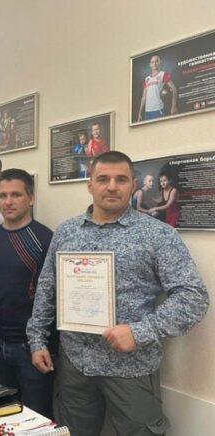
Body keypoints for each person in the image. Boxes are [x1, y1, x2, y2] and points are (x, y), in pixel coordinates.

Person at [27, 151, 208, 436]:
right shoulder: (66, 232)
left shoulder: (157, 235)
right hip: (75, 365)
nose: (112, 186)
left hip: (132, 368)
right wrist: (37, 339)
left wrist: (140, 331)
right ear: (90, 184)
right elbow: (48, 288)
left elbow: (193, 297)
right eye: (103, 179)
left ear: (133, 185)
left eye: (121, 179)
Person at [0, 169, 55, 418]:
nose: (8, 202)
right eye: (2, 196)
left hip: (32, 347)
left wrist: (46, 344)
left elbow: (53, 296)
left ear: (30, 198)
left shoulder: (45, 239)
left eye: (16, 195)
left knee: (37, 418)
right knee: (1, 416)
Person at [137, 55, 178, 122]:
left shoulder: (163, 74)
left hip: (158, 109)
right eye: (152, 62)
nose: (154, 64)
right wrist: (139, 113)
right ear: (150, 64)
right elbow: (144, 97)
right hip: (147, 111)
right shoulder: (146, 79)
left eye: (157, 61)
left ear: (160, 62)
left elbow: (174, 89)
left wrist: (174, 106)